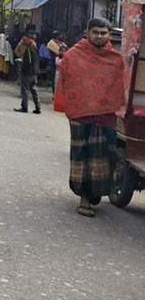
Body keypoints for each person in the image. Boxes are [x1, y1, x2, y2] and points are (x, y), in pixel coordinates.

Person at [54, 18, 126, 217]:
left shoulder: (115, 59)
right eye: (96, 32)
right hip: (81, 115)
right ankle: (84, 198)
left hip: (106, 116)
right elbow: (66, 83)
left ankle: (96, 192)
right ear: (87, 33)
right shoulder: (73, 56)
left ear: (110, 35)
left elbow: (120, 87)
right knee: (83, 156)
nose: (100, 36)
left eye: (104, 33)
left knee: (107, 154)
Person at [13, 24, 41, 113]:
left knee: (24, 89)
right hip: (35, 71)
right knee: (34, 89)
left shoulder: (28, 49)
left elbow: (27, 61)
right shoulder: (35, 47)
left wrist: (23, 71)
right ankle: (38, 107)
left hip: (28, 71)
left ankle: (24, 107)